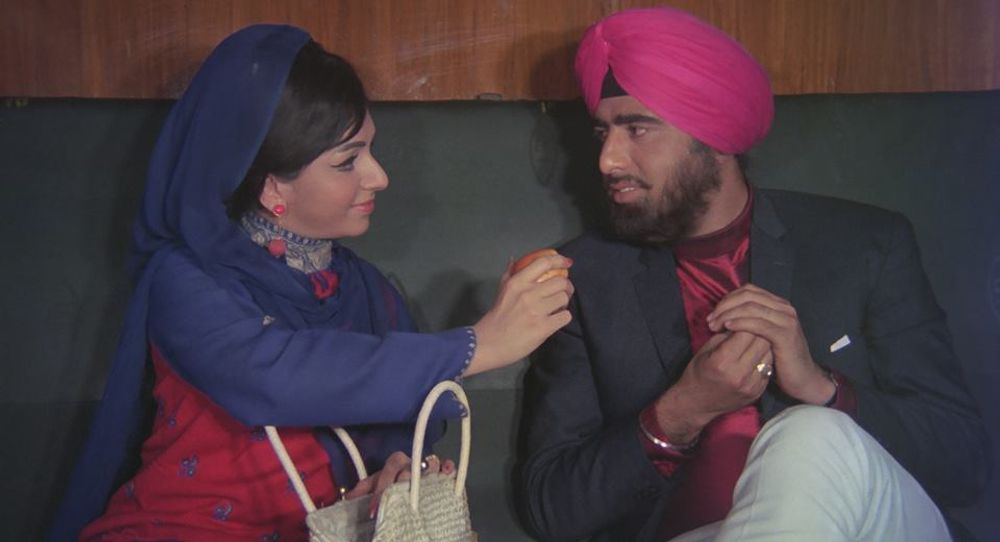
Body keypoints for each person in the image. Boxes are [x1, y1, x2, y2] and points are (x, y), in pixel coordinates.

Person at [49, 25, 573, 541]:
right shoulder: (187, 279)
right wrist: (478, 345)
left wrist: (393, 469)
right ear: (272, 187)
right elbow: (276, 375)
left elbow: (400, 414)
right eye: (348, 161)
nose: (379, 177)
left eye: (370, 150)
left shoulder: (364, 288)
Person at [516, 7, 988, 542]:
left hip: (871, 524)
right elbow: (551, 510)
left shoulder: (864, 246)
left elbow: (964, 466)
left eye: (638, 129)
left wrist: (822, 388)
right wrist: (680, 411)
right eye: (602, 132)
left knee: (811, 433)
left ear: (717, 137)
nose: (607, 160)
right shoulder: (584, 281)